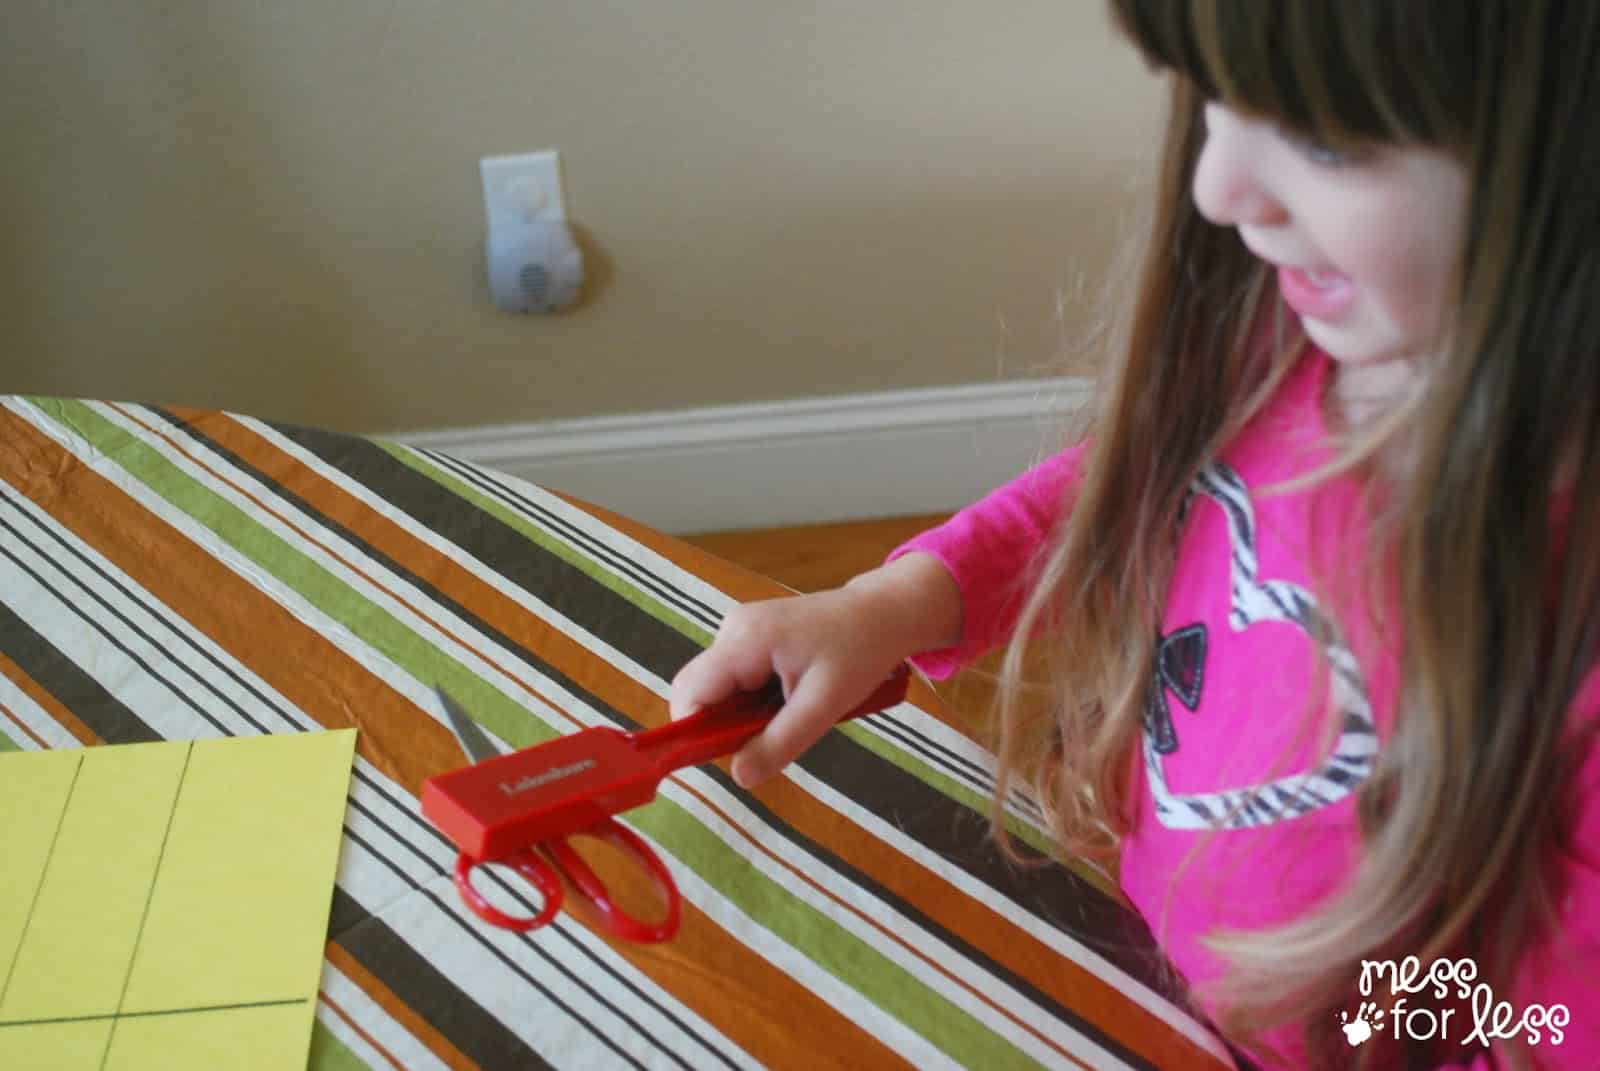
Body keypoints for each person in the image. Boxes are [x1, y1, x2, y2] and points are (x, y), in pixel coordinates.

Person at [669, 2, 1600, 1067]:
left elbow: (1546, 1024)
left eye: (1325, 139)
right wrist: (894, 605)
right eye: (1212, 98)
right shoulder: (1295, 338)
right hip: (1139, 963)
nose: (1217, 188)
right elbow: (1129, 489)